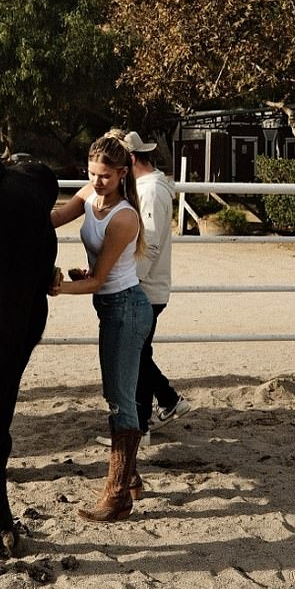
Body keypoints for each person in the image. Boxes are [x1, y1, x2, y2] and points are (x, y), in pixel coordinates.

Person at [49, 135, 153, 522]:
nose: (97, 182)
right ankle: (131, 479)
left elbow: (100, 281)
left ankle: (117, 498)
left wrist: (59, 287)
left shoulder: (125, 216)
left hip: (125, 308)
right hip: (111, 305)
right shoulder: (90, 195)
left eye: (105, 176)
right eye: (92, 173)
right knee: (118, 393)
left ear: (122, 173)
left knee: (119, 399)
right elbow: (56, 218)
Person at [121, 130, 190, 435]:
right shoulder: (150, 186)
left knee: (135, 355)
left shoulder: (149, 191)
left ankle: (143, 421)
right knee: (139, 353)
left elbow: (148, 244)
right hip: (150, 286)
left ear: (131, 159)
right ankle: (163, 404)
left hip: (145, 288)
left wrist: (128, 280)